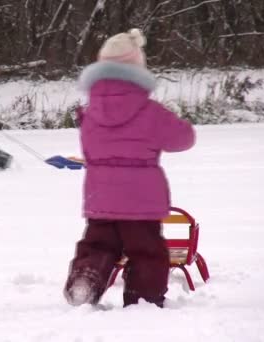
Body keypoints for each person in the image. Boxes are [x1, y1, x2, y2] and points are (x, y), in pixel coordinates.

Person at [63, 29, 196, 308]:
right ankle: (143, 298)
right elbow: (183, 139)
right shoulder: (151, 111)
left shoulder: (89, 114)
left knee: (98, 244)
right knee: (146, 251)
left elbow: (90, 150)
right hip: (141, 201)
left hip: (100, 196)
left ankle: (86, 279)